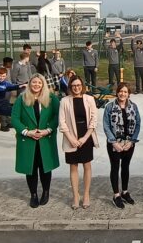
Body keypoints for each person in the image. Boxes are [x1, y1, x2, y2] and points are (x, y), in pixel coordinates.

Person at [11, 73, 60, 207]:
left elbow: (58, 115)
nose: (36, 85)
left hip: (45, 138)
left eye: (39, 83)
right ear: (29, 84)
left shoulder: (51, 98)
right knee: (31, 168)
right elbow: (14, 118)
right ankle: (33, 194)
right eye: (34, 82)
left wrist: (48, 129)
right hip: (28, 140)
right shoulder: (22, 99)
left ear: (43, 84)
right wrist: (27, 132)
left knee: (45, 167)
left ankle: (45, 191)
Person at [59, 76, 99, 209]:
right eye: (74, 85)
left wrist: (85, 137)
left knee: (87, 165)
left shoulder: (89, 99)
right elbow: (62, 122)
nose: (76, 88)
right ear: (70, 87)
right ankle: (75, 196)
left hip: (86, 136)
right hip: (71, 137)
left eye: (79, 85)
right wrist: (71, 139)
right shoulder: (64, 101)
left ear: (82, 86)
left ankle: (86, 194)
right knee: (73, 166)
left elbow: (94, 120)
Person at [103, 82, 141, 209]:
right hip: (114, 143)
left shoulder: (133, 107)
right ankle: (116, 195)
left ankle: (125, 192)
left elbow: (138, 124)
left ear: (128, 93)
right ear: (117, 92)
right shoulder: (109, 106)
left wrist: (132, 141)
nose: (122, 94)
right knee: (115, 167)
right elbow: (106, 125)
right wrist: (113, 142)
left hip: (129, 143)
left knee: (125, 166)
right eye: (120, 91)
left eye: (125, 91)